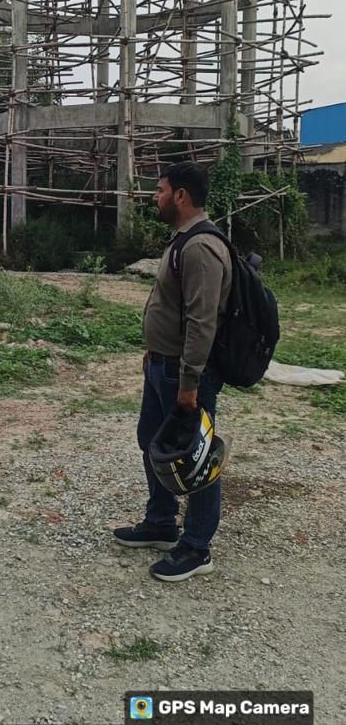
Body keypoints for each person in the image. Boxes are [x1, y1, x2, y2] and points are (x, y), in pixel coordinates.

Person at [113, 162, 232, 582]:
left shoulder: (201, 248)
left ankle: (197, 547)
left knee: (196, 458)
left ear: (180, 195)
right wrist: (154, 350)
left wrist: (189, 383)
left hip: (183, 373)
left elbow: (202, 322)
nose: (155, 196)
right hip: (161, 365)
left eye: (160, 190)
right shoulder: (183, 240)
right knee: (152, 441)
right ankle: (161, 523)